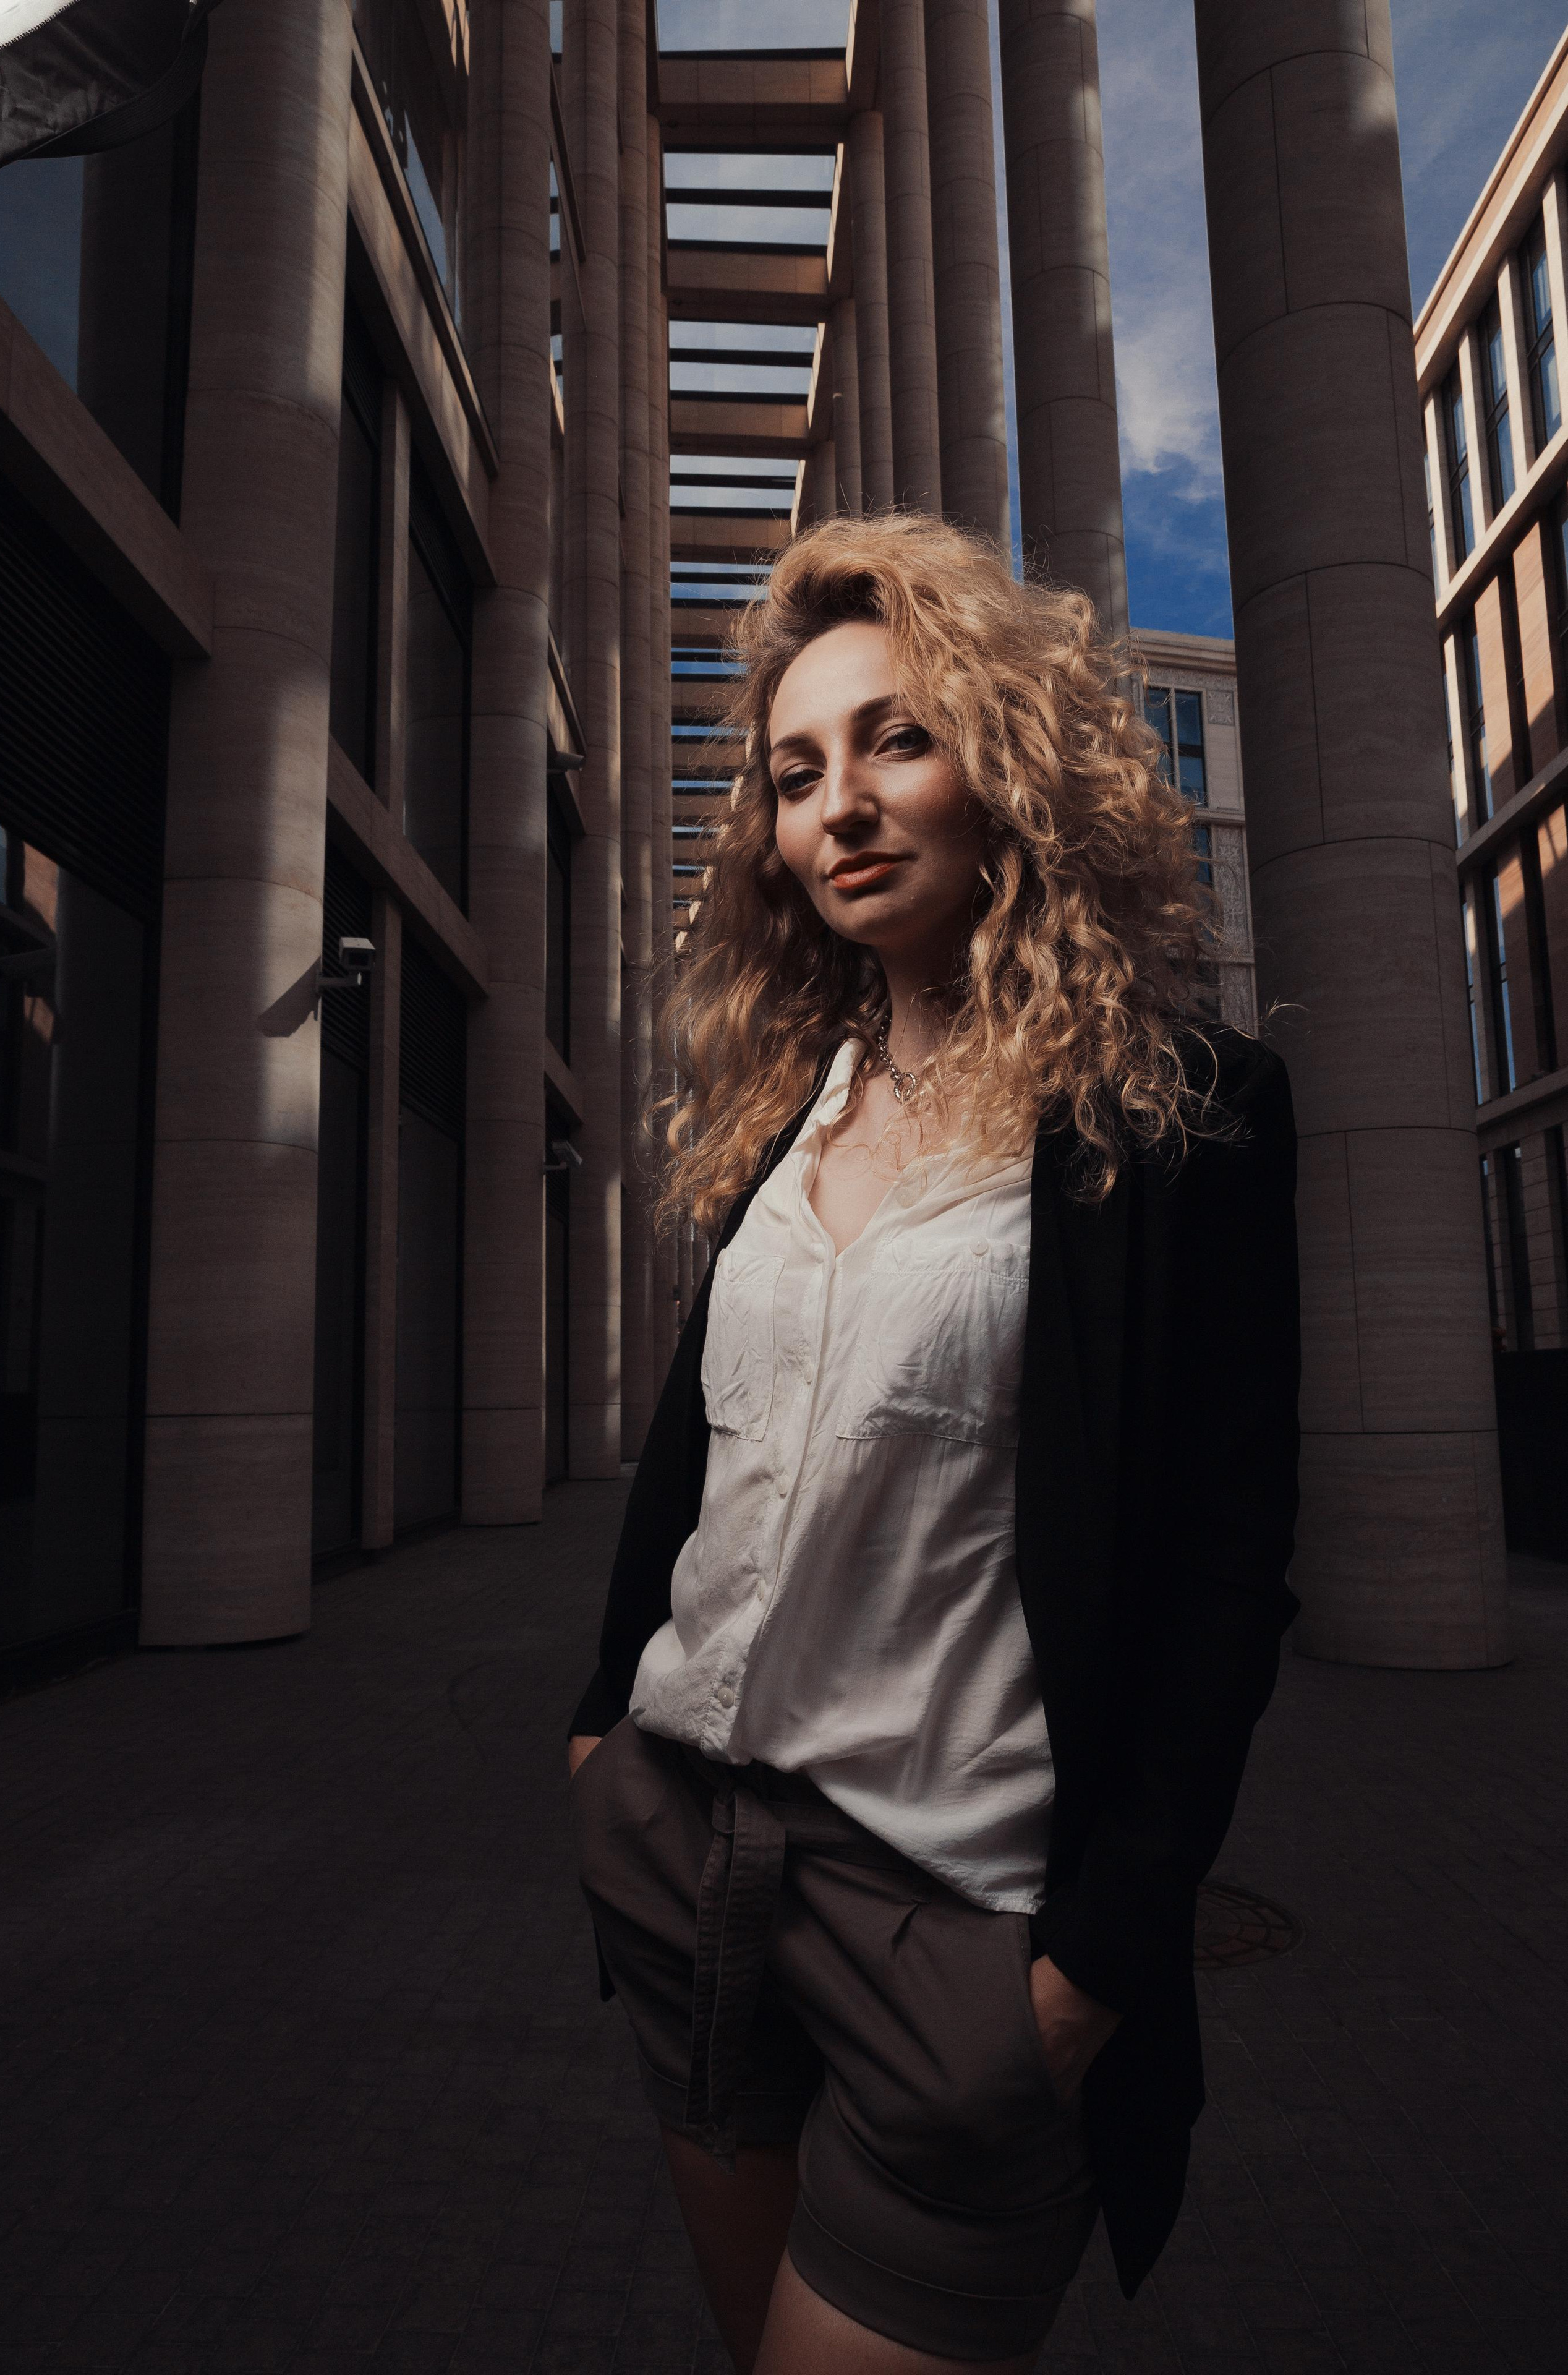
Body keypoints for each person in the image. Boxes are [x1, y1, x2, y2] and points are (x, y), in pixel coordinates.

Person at [567, 511, 1300, 2374]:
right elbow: (696, 1456)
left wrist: (1094, 1966)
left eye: (898, 738)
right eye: (799, 773)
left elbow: (1228, 1555)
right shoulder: (783, 1109)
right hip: (686, 1853)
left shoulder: (1181, 1109)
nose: (843, 807)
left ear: (1010, 764)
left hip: (957, 1923)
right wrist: (600, 1737)